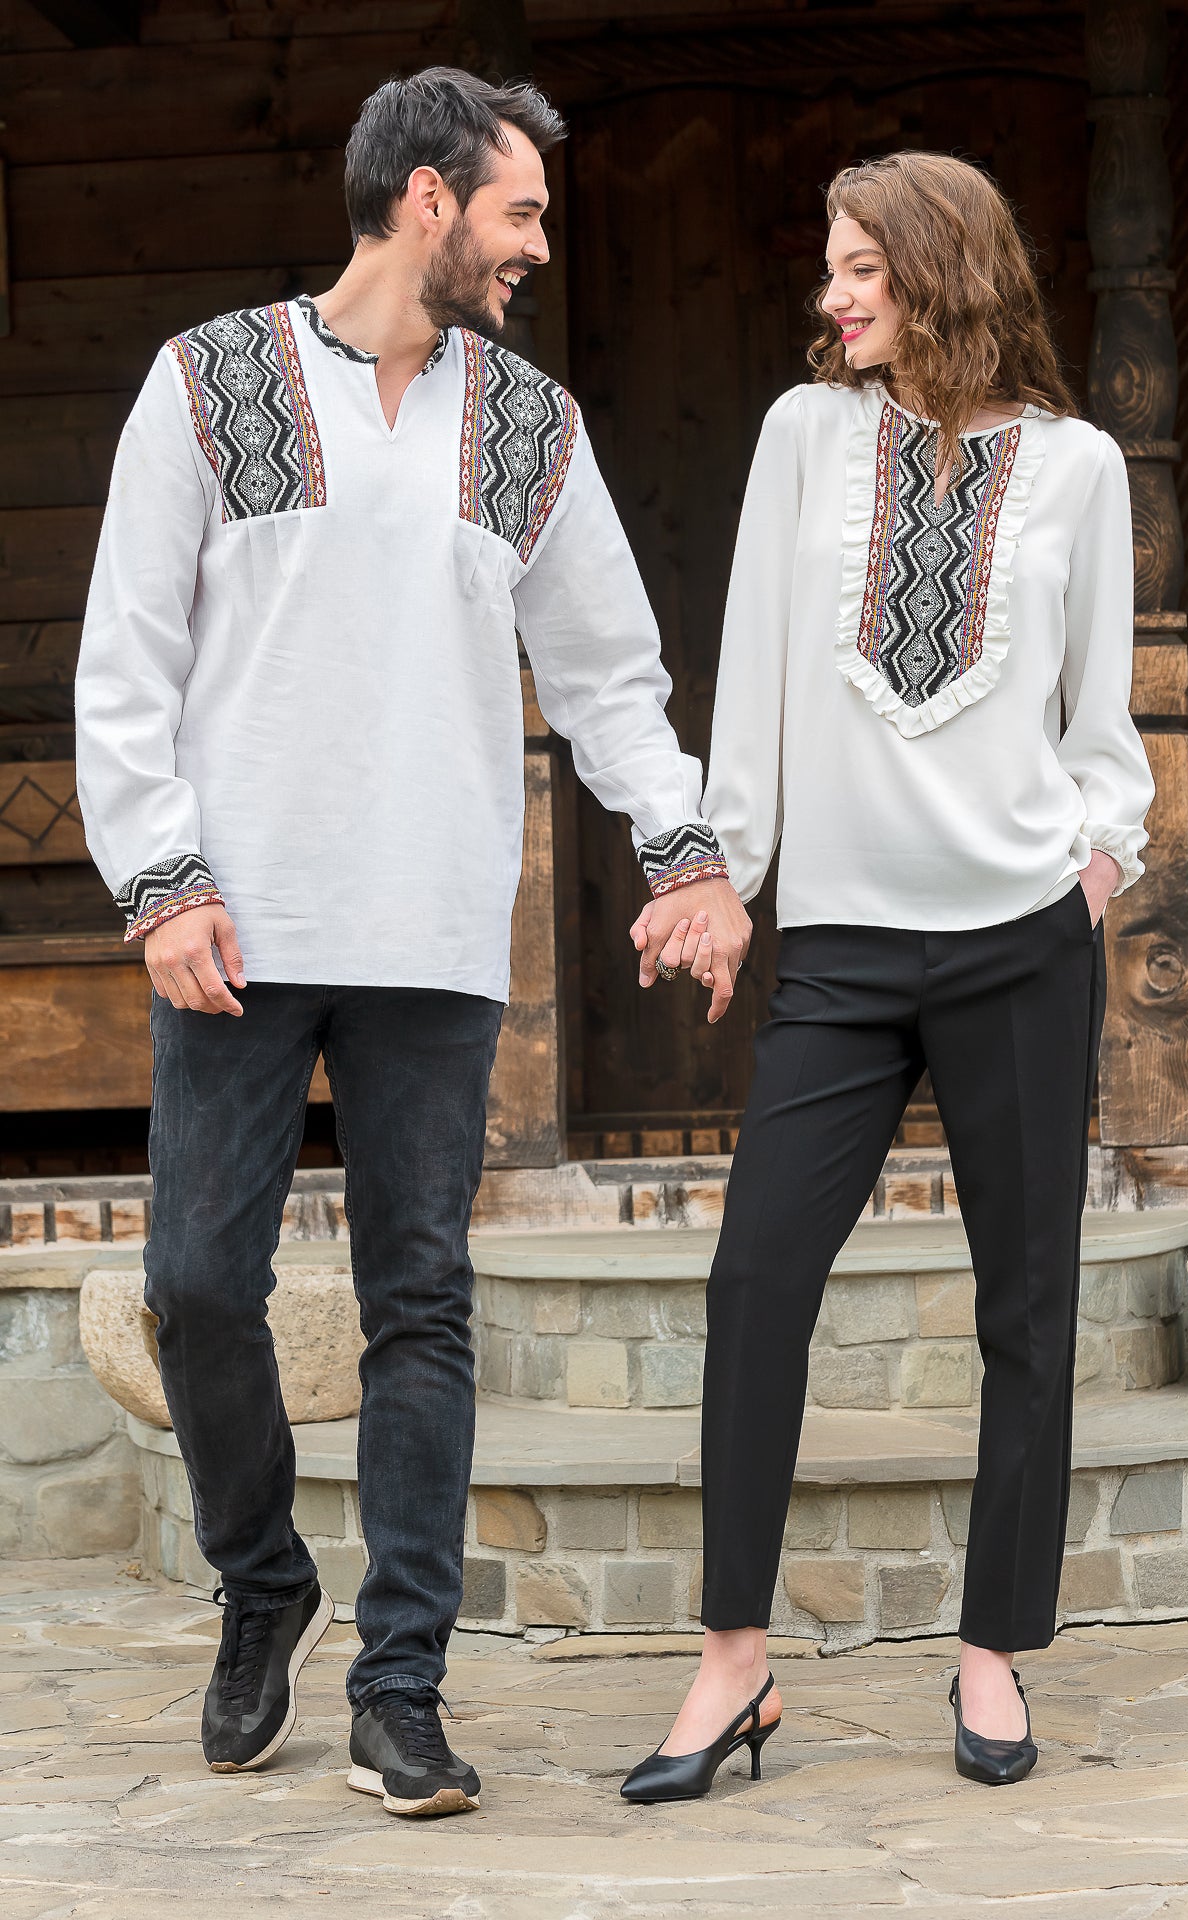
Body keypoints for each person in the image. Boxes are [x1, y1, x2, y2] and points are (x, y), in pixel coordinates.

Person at [75, 66, 747, 1817]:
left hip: (432, 929)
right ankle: (262, 1582)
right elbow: (127, 654)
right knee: (195, 1288)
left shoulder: (528, 424)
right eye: (521, 212)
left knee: (419, 1305)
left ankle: (401, 1689)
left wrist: (681, 848)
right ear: (429, 199)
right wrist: (161, 879)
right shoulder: (210, 381)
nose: (539, 247)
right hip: (232, 922)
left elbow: (607, 672)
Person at [622, 150, 1154, 1802]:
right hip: (843, 952)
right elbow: (753, 681)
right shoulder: (802, 436)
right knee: (754, 1284)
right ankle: (733, 1662)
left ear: (944, 271)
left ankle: (992, 1649)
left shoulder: (1076, 469)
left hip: (1019, 942)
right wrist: (724, 875)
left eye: (863, 268)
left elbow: (1098, 726)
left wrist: (1090, 868)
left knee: (1026, 1307)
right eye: (831, 269)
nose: (833, 295)